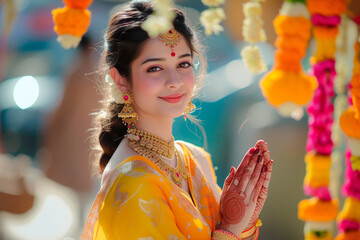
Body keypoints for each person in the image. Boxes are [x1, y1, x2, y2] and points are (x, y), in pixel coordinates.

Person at [81, 1, 273, 239]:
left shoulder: (194, 159)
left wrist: (242, 221)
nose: (175, 81)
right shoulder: (133, 184)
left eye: (183, 64)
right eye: (154, 68)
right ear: (121, 80)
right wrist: (230, 230)